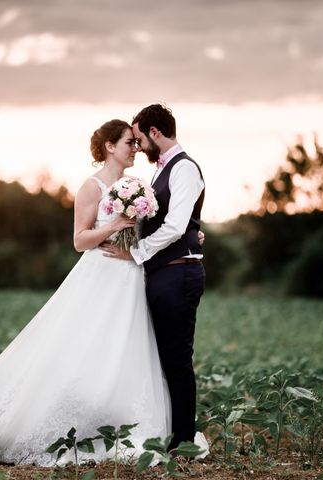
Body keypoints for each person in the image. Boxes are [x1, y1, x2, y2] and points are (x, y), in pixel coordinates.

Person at [0, 119, 171, 465]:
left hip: (130, 275)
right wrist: (114, 226)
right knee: (85, 345)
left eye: (135, 142)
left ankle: (121, 419)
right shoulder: (92, 187)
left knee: (126, 345)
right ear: (110, 147)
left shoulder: (136, 185)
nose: (135, 148)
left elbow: (151, 232)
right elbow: (79, 240)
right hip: (101, 275)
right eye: (129, 142)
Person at [100, 104, 205, 450]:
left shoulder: (184, 168)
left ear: (155, 133)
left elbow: (176, 225)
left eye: (140, 137)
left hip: (178, 275)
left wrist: (137, 252)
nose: (139, 145)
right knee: (164, 358)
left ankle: (184, 443)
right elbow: (179, 224)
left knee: (177, 359)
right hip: (164, 274)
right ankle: (173, 435)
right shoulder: (163, 171)